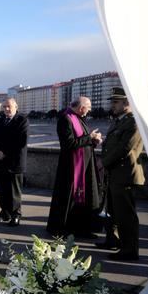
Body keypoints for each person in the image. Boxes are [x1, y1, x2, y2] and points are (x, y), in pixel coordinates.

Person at [98, 87, 145, 261]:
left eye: (116, 102)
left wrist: (104, 162)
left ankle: (130, 250)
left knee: (126, 214)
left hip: (125, 174)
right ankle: (113, 240)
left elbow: (125, 148)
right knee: (112, 211)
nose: (113, 105)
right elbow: (111, 145)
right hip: (115, 173)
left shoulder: (134, 122)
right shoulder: (119, 121)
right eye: (112, 102)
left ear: (127, 103)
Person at [46, 97, 103, 238]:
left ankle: (81, 229)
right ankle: (64, 229)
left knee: (85, 199)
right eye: (88, 108)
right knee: (69, 201)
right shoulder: (65, 119)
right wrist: (90, 137)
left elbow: (82, 142)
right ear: (81, 107)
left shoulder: (78, 118)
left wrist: (94, 141)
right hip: (71, 168)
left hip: (85, 166)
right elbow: (69, 143)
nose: (89, 111)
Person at [0, 99, 29, 226]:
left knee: (14, 191)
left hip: (14, 162)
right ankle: (5, 212)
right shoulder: (0, 121)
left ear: (16, 107)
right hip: (0, 161)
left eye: (9, 106)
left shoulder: (22, 120)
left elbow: (20, 142)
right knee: (2, 189)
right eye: (4, 107)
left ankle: (16, 215)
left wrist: (4, 153)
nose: (6, 109)